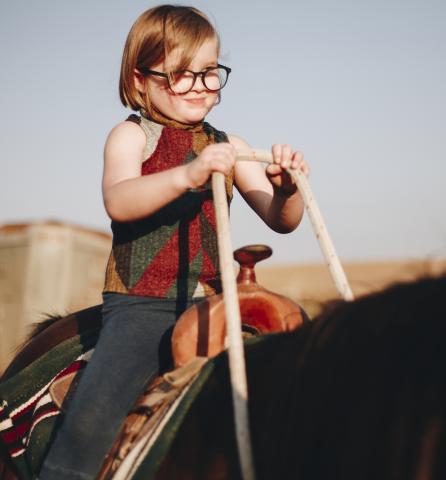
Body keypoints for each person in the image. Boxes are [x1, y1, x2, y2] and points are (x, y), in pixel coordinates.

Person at [39, 5, 309, 479]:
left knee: (300, 365)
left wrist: (287, 189)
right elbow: (119, 201)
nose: (200, 88)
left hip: (214, 298)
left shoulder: (228, 143)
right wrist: (187, 174)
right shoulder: (130, 137)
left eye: (209, 73)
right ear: (140, 79)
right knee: (94, 419)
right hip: (144, 304)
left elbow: (280, 220)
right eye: (181, 75)